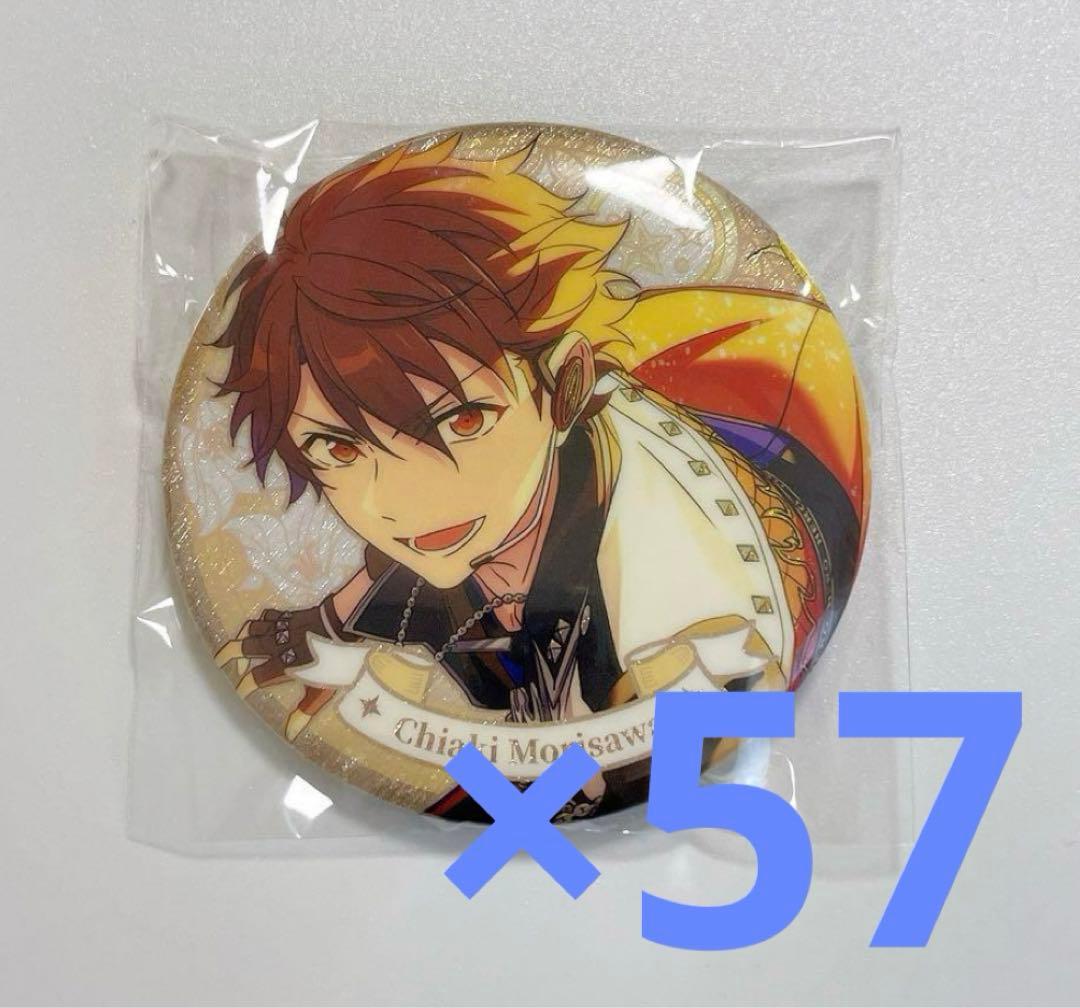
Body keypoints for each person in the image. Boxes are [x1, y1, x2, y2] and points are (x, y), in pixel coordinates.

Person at [212, 135, 865, 818]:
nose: (404, 499)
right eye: (339, 448)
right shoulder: (459, 530)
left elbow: (714, 697)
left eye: (463, 420)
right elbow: (391, 569)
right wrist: (325, 626)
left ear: (566, 385)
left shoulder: (678, 566)